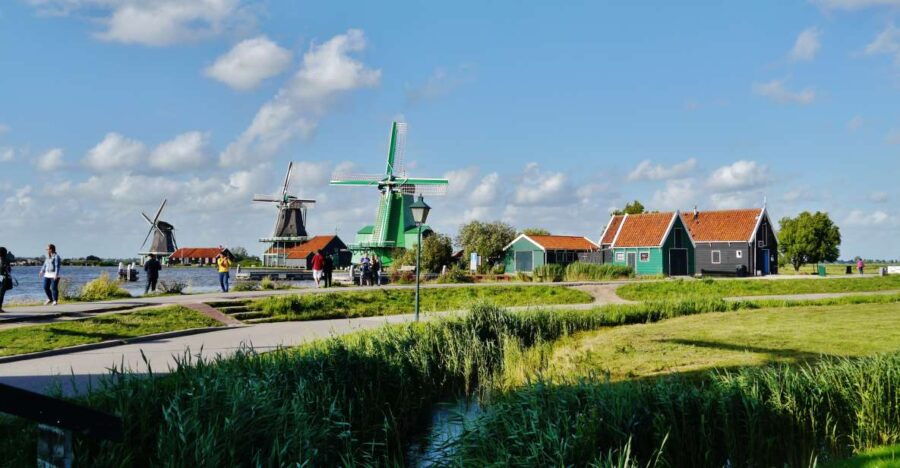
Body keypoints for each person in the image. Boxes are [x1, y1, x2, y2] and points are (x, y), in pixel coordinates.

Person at [0, 247, 12, 313]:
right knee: (1, 293)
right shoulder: (6, 260)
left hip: (2, 277)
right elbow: (8, 270)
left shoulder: (5, 260)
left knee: (1, 293)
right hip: (3, 278)